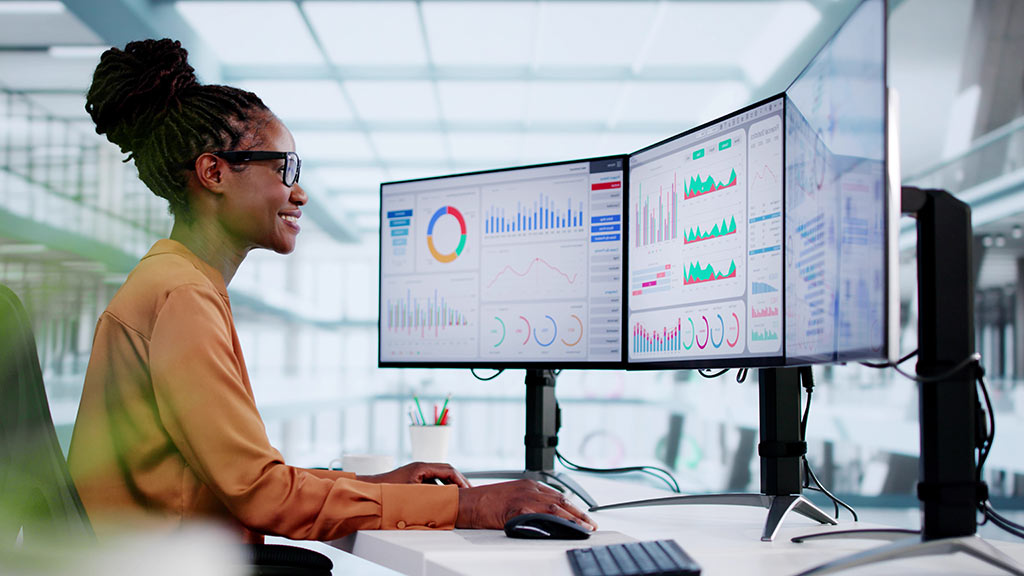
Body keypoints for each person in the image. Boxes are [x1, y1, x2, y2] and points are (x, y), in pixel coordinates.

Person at [67, 38, 594, 543]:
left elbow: (246, 475)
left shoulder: (172, 279)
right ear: (213, 172)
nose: (300, 192)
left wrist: (373, 485)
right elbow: (262, 495)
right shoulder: (181, 294)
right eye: (284, 168)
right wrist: (468, 505)